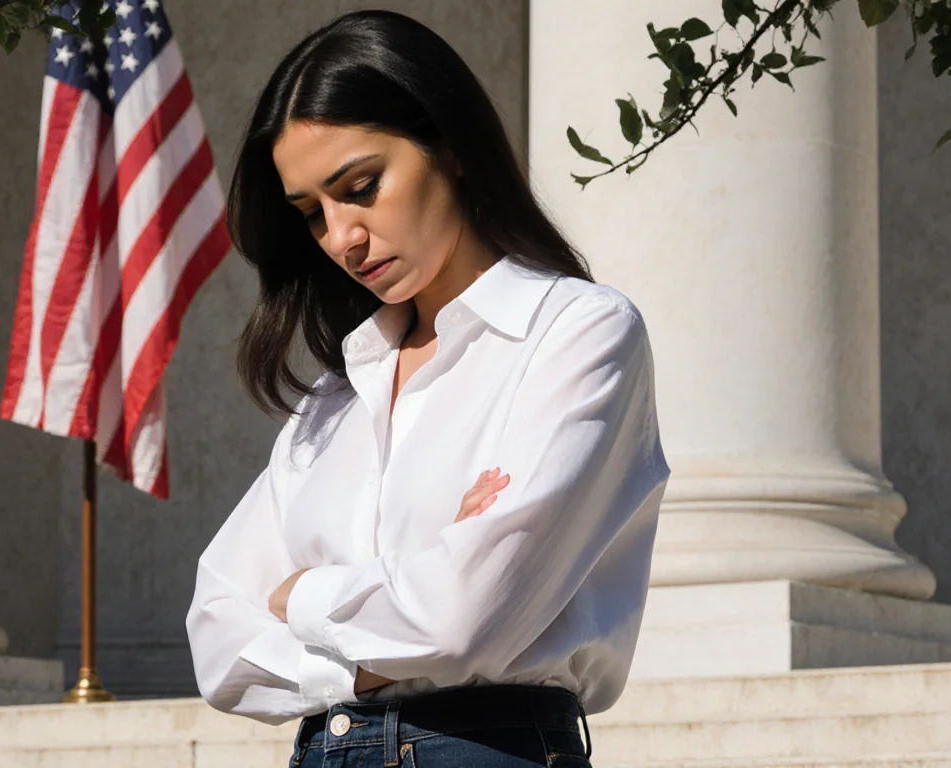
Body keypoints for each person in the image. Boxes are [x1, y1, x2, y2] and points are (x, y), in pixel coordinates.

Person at [185, 9, 669, 767]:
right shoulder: (335, 402)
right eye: (312, 212)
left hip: (487, 748)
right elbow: (217, 637)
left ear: (450, 149)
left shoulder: (576, 335)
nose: (342, 236)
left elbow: (468, 618)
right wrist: (397, 618)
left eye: (362, 185)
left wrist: (303, 597)